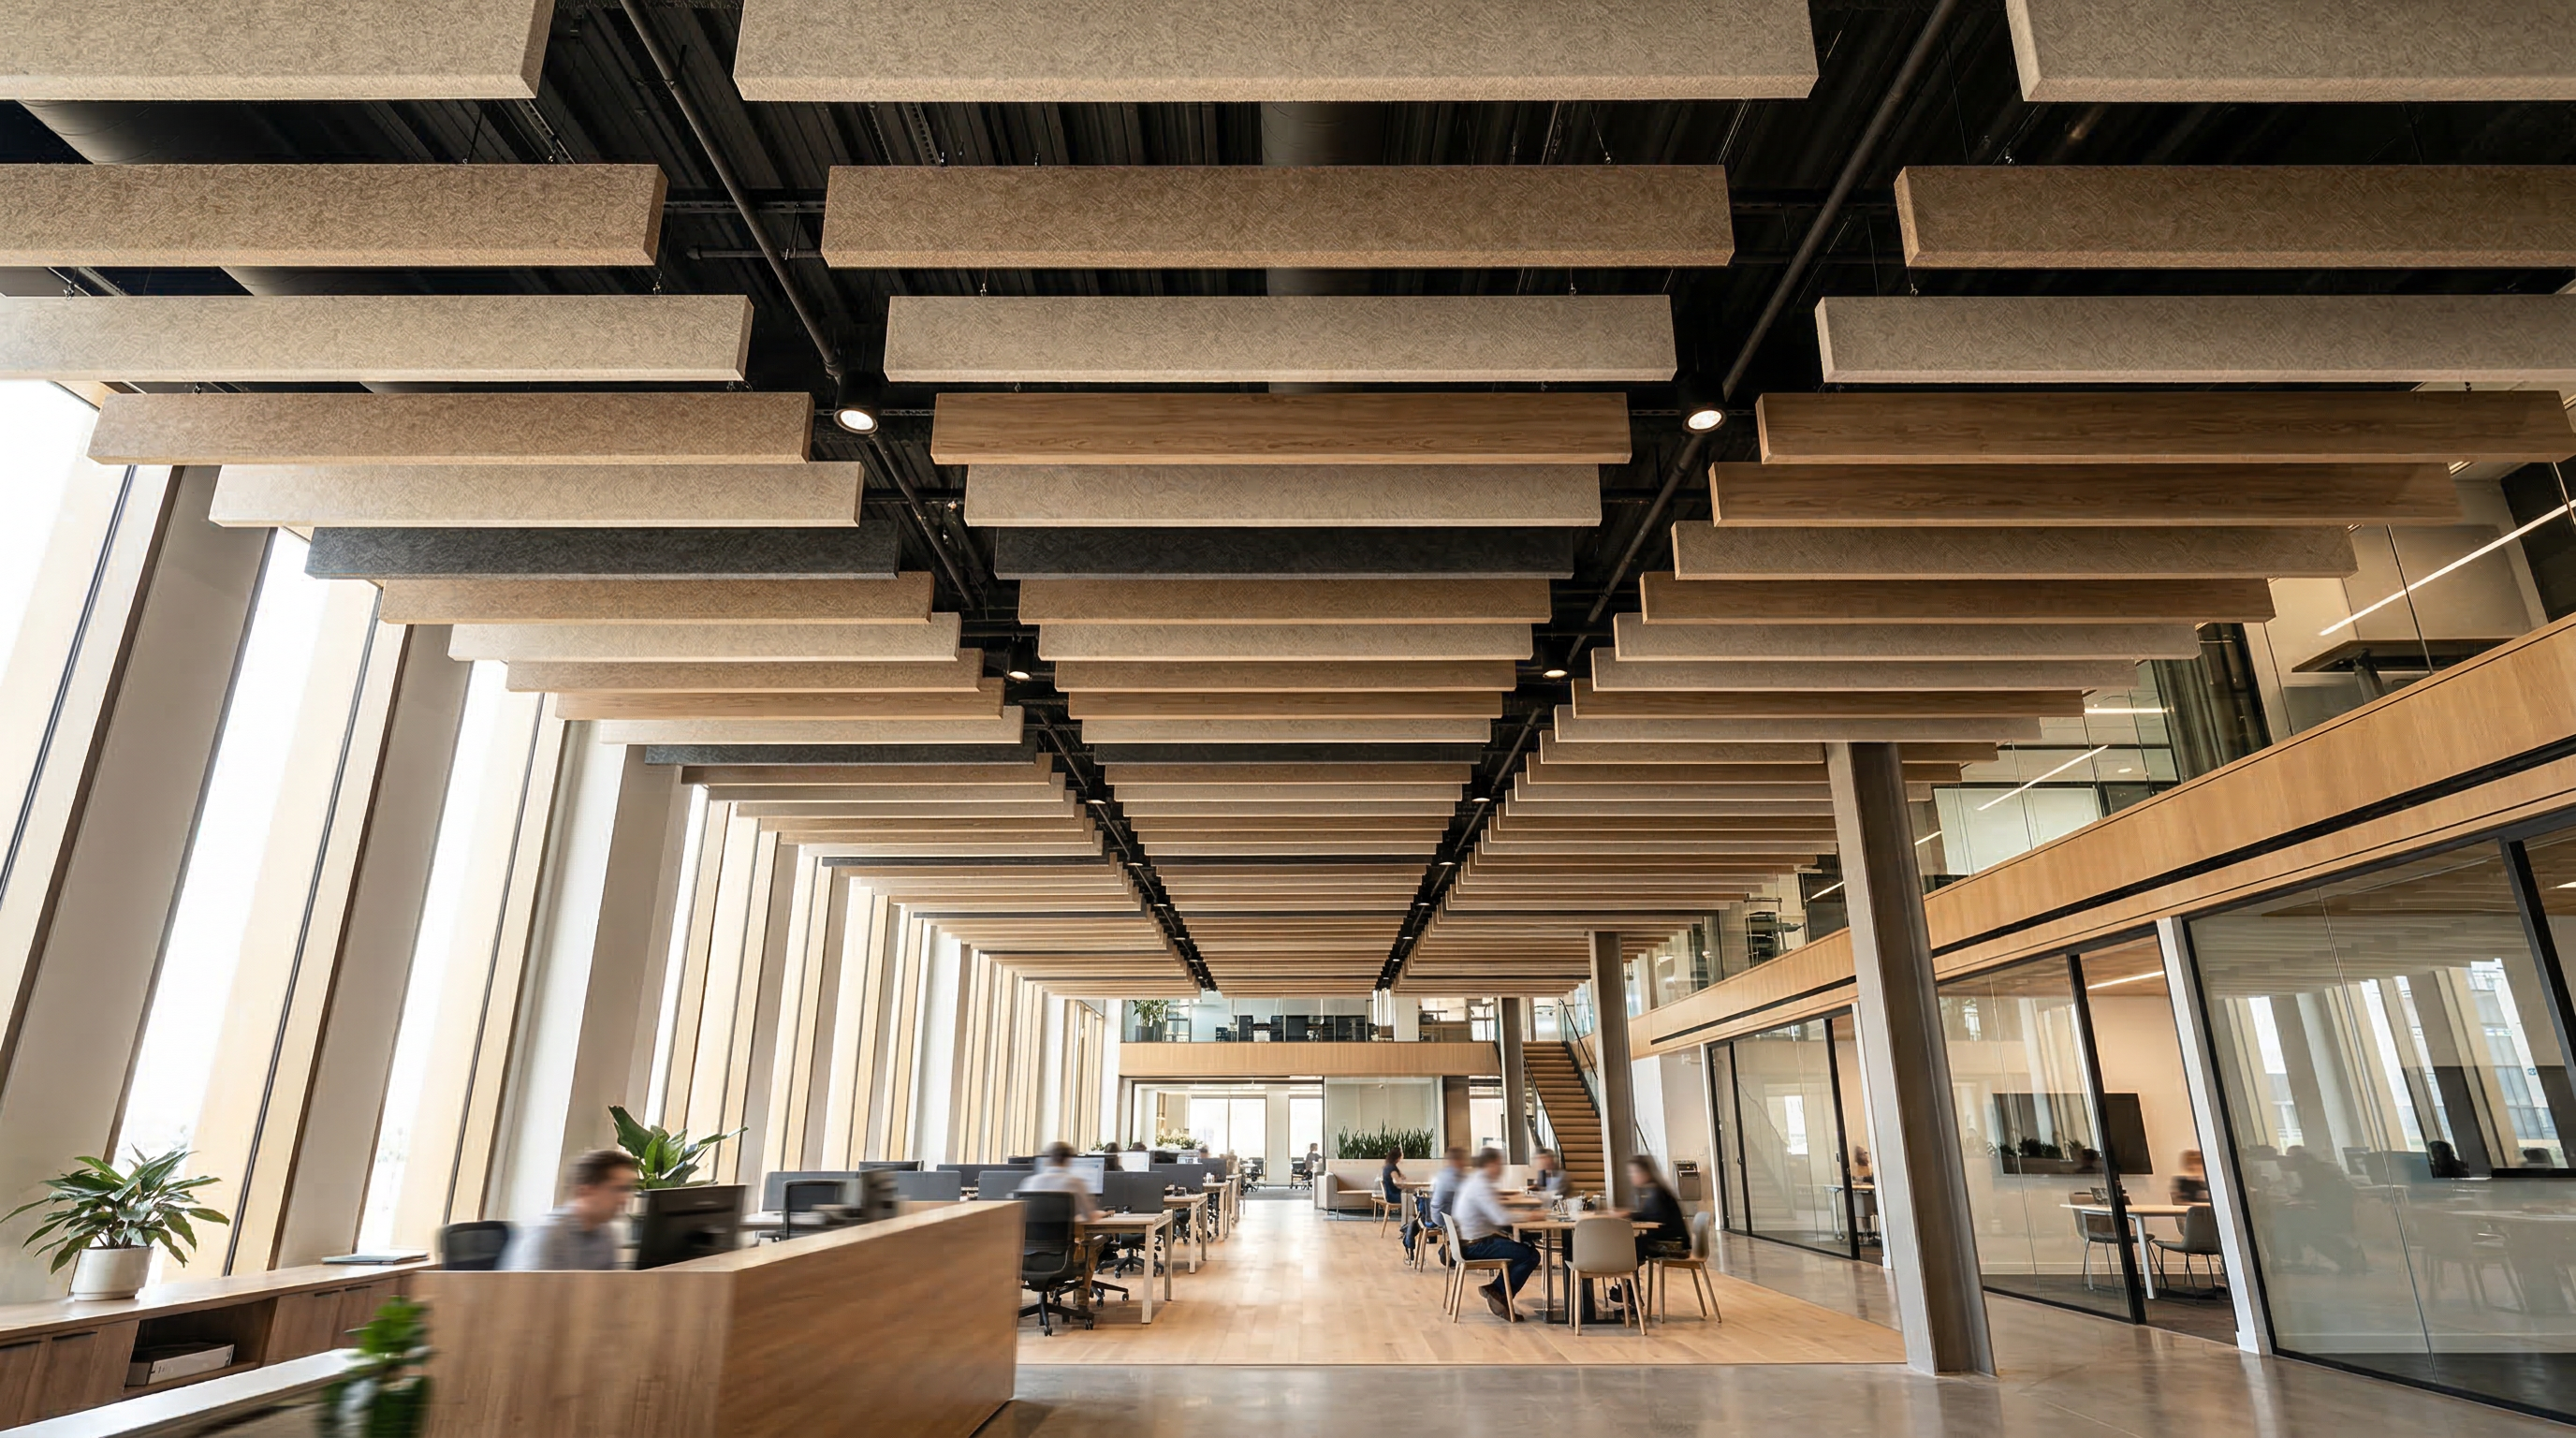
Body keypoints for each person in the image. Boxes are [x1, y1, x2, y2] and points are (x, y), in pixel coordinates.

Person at [504, 1148, 637, 1270]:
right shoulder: (548, 1235)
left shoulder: (606, 1235)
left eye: (628, 1190)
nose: (624, 1199)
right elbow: (527, 1294)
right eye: (618, 1189)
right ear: (585, 1191)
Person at [1452, 1148, 1539, 1319]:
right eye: (1499, 1164)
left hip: (1471, 1240)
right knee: (1530, 1254)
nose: (1501, 1168)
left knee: (1522, 1247)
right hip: (1477, 1245)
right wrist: (1531, 1215)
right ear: (1490, 1164)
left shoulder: (1475, 1181)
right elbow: (1500, 1217)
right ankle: (1498, 1291)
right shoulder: (1481, 1185)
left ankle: (1497, 1290)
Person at [1627, 1157, 1690, 1260]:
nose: (1632, 1176)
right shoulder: (1654, 1190)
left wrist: (1628, 1214)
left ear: (1646, 1172)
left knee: (1627, 1245)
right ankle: (1631, 1274)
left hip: (1674, 1244)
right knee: (1631, 1243)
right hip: (1672, 1240)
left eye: (1634, 1172)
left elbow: (1656, 1220)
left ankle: (1629, 1274)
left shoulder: (1657, 1192)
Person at [1020, 1140, 1101, 1221]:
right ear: (1068, 1159)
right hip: (1065, 1233)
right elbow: (1089, 1216)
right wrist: (1100, 1214)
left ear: (1048, 1159)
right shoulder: (1076, 1183)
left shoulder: (1030, 1182)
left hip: (1033, 1233)